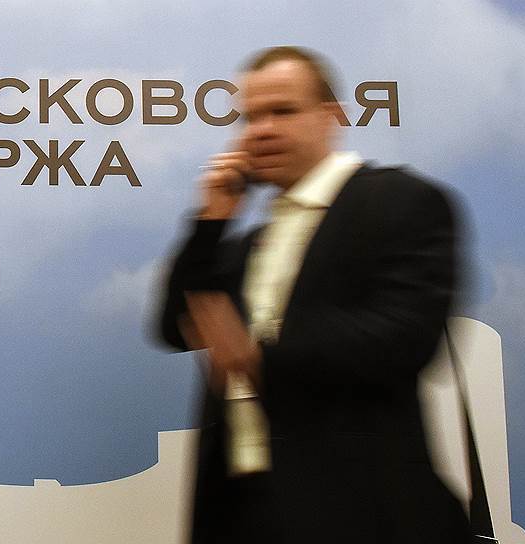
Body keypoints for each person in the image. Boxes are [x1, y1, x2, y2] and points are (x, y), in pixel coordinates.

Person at [157, 46, 470, 543]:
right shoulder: (249, 244)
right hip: (243, 514)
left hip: (363, 513)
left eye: (282, 111)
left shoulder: (399, 201)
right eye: (250, 117)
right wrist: (210, 222)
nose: (261, 130)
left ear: (332, 116)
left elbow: (404, 337)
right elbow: (174, 326)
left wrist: (259, 356)